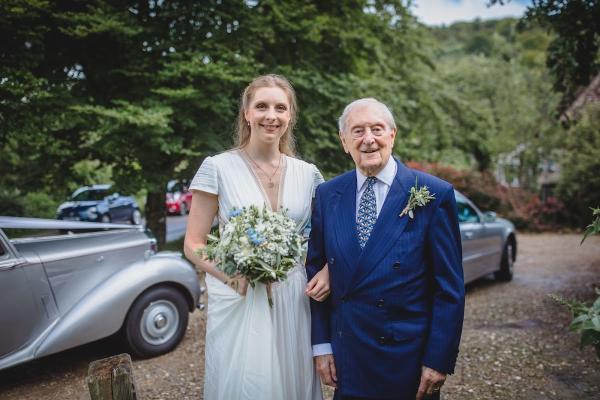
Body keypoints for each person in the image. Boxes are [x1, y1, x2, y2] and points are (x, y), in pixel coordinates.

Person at [306, 98, 465, 400]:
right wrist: (322, 344)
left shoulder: (434, 194)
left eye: (377, 129)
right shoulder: (328, 195)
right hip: (348, 357)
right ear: (344, 141)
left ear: (392, 135)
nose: (368, 139)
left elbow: (449, 289)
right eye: (357, 131)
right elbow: (315, 270)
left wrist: (437, 359)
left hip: (407, 361)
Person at [184, 74, 329, 400]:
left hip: (293, 294)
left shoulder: (309, 174)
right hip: (240, 294)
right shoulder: (217, 168)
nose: (271, 116)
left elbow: (326, 242)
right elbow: (194, 243)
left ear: (290, 115)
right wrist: (230, 275)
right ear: (247, 114)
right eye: (261, 106)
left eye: (280, 107)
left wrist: (328, 270)